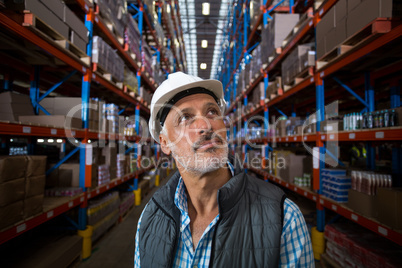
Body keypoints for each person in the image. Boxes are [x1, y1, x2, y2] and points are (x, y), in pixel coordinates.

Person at [134, 72, 314, 267]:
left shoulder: (283, 218)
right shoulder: (150, 218)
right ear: (165, 142)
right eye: (185, 117)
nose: (205, 126)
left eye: (212, 112)